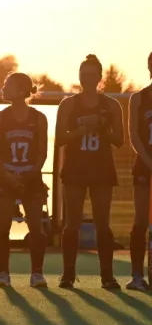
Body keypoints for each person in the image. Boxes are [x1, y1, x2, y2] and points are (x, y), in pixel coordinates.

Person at [56, 54, 124, 289]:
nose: (87, 78)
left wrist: (102, 128)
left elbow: (119, 140)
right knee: (72, 222)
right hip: (75, 168)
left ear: (99, 77)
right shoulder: (68, 104)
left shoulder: (111, 105)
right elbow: (59, 140)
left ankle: (107, 275)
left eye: (92, 75)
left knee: (102, 222)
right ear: (79, 76)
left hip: (101, 169)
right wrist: (80, 130)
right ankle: (67, 275)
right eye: (83, 74)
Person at [0, 72, 49, 288]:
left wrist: (30, 174)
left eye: (7, 85)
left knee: (35, 226)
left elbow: (42, 152)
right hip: (6, 176)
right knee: (2, 225)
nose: (3, 88)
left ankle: (37, 273)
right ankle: (3, 272)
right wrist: (8, 175)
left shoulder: (39, 118)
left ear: (22, 90)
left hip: (31, 176)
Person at [126, 52, 152, 291]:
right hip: (145, 166)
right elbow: (133, 135)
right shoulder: (139, 99)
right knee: (141, 219)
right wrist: (148, 161)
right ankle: (136, 275)